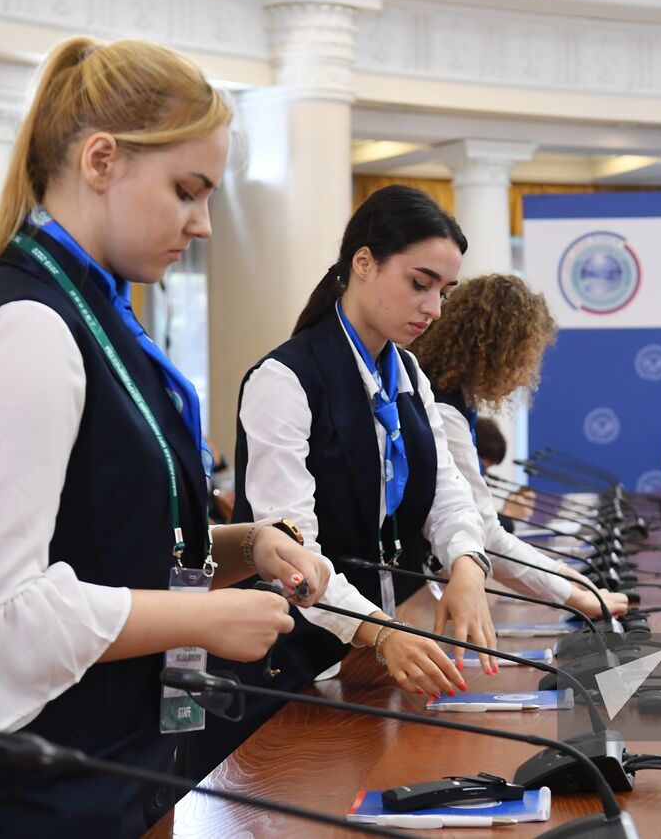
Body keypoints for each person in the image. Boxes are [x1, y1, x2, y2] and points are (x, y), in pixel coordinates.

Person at [0, 37, 328, 837]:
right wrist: (200, 618)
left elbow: (113, 543)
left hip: (104, 767)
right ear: (100, 161)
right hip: (16, 793)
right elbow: (0, 617)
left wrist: (249, 543)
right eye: (186, 191)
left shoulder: (100, 320)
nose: (201, 225)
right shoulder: (32, 327)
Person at [183, 186, 499, 780]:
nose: (433, 308)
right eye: (420, 282)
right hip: (290, 671)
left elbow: (447, 492)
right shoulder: (284, 379)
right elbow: (293, 556)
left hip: (369, 667)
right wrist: (379, 634)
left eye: (444, 292)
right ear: (363, 262)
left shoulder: (409, 374)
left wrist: (467, 565)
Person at [412, 273, 629, 618]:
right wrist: (577, 597)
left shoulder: (452, 399)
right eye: (525, 357)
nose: (527, 375)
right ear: (496, 349)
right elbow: (486, 537)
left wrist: (568, 580)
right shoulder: (441, 409)